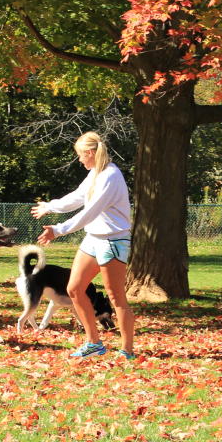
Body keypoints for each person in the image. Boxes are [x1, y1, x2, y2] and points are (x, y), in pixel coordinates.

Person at [33, 131, 136, 359]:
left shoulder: (110, 175)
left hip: (113, 241)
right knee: (74, 289)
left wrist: (59, 230)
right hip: (93, 238)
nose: (80, 160)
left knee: (116, 295)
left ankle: (127, 351)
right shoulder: (95, 173)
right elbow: (78, 197)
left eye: (81, 155)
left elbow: (89, 212)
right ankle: (94, 343)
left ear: (90, 153)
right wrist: (51, 206)